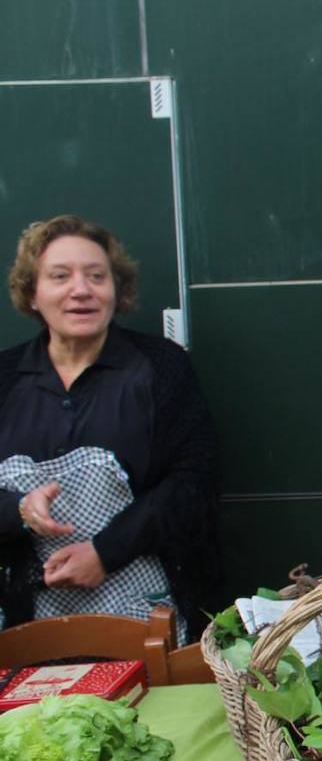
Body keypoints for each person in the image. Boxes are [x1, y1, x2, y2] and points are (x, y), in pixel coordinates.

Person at [0, 215, 221, 642]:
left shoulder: (161, 366)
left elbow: (196, 479)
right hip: (24, 627)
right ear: (31, 293)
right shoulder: (3, 379)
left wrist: (105, 552)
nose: (81, 289)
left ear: (116, 289)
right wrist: (20, 511)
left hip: (151, 617)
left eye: (96, 276)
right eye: (60, 276)